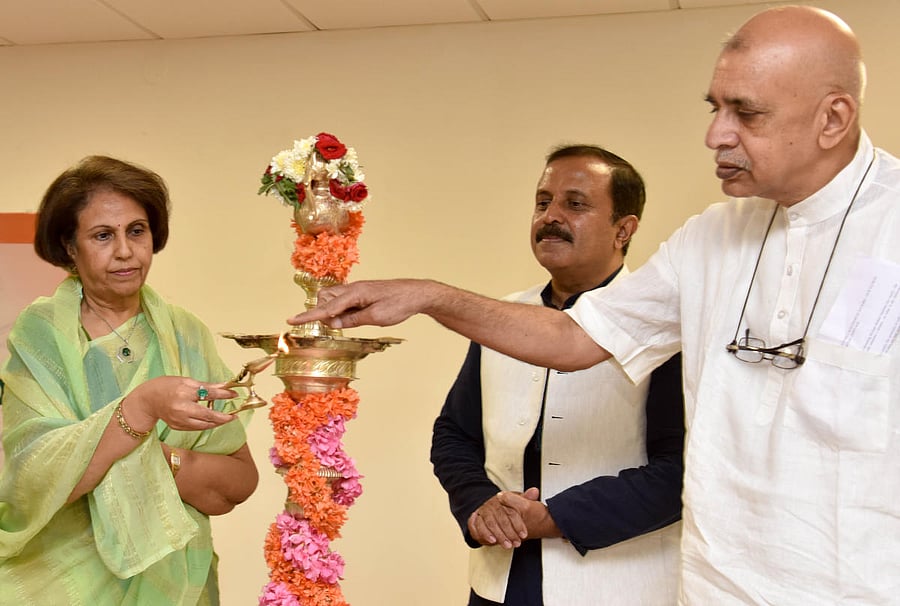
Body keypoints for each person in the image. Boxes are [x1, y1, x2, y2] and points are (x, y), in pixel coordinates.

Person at [289, 6, 900, 604]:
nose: (716, 134)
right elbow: (573, 339)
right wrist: (428, 296)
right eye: (716, 108)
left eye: (747, 112)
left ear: (833, 118)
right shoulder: (712, 236)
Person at [430, 144, 684, 606]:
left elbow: (679, 471)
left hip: (617, 586)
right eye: (543, 202)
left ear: (623, 229)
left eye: (576, 204)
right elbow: (454, 434)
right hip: (499, 582)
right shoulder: (506, 315)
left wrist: (552, 518)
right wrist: (479, 505)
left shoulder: (662, 324)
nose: (551, 216)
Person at [0, 155, 259, 605]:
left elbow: (234, 485)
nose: (125, 251)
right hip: (59, 585)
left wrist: (149, 458)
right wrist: (141, 407)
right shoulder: (41, 333)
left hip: (177, 583)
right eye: (103, 235)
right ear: (68, 248)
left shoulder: (185, 334)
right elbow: (35, 480)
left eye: (136, 231)